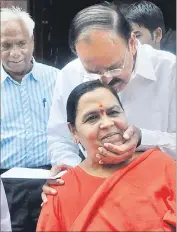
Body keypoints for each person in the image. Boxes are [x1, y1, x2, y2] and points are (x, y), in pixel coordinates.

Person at [43, 1, 176, 200]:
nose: (106, 80)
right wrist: (69, 174)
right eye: (93, 72)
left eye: (114, 67)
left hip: (161, 194)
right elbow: (60, 138)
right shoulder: (70, 75)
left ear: (131, 43)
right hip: (94, 194)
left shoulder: (170, 71)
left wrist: (144, 139)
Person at [37, 80, 176, 231]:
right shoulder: (60, 191)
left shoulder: (161, 167)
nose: (107, 123)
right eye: (92, 118)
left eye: (113, 112)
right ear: (73, 132)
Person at [1, 7, 59, 231]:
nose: (15, 53)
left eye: (21, 44)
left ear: (32, 40)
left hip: (50, 179)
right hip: (5, 185)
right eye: (5, 46)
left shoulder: (57, 79)